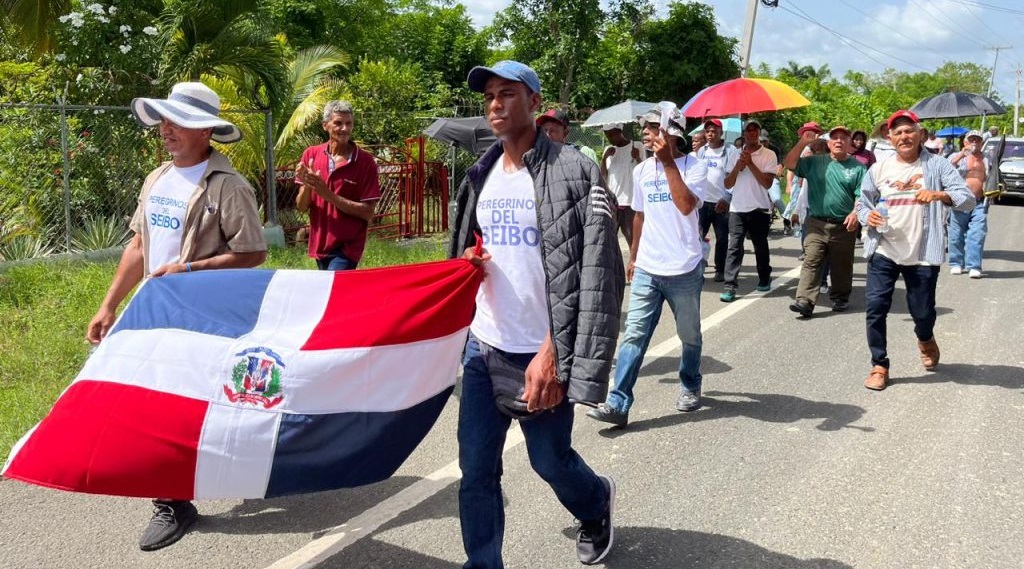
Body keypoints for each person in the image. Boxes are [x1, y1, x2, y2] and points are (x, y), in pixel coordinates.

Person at [449, 60, 624, 568]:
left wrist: (553, 351)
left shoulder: (575, 170)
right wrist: (470, 262)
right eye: (489, 97)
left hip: (541, 348)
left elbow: (598, 270)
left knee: (549, 461)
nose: (495, 105)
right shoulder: (480, 174)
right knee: (477, 471)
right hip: (485, 347)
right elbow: (475, 244)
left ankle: (595, 503)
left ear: (533, 101)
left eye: (507, 94)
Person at [87, 81, 268, 551]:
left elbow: (252, 252)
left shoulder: (228, 186)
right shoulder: (158, 178)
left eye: (179, 121)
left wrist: (189, 269)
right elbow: (138, 244)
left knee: (194, 406)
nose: (166, 129)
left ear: (206, 130)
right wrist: (109, 305)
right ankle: (171, 500)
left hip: (203, 321)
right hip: (152, 314)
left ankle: (203, 480)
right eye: (165, 119)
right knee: (151, 405)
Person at [586, 108, 708, 427]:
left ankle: (690, 383)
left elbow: (685, 206)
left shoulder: (695, 166)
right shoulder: (641, 171)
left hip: (684, 269)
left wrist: (668, 162)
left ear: (674, 133)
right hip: (648, 269)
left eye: (655, 127)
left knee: (689, 334)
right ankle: (618, 402)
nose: (646, 131)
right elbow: (638, 215)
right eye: (646, 127)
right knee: (634, 335)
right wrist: (634, 256)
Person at [857, 110, 975, 391]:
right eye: (897, 132)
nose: (904, 136)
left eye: (909, 130)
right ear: (890, 138)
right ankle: (879, 365)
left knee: (922, 312)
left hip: (922, 253)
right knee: (875, 308)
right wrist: (867, 216)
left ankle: (925, 337)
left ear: (920, 134)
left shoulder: (938, 165)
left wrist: (939, 195)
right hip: (884, 249)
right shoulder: (879, 168)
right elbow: (862, 202)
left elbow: (967, 199)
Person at [784, 125, 865, 317]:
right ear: (828, 143)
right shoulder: (815, 162)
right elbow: (789, 163)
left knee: (841, 264)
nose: (838, 141)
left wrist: (855, 213)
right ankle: (805, 300)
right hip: (816, 222)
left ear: (849, 143)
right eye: (834, 138)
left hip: (844, 225)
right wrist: (803, 142)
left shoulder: (858, 168)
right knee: (812, 259)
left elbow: (861, 194)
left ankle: (840, 297)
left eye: (843, 138)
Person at [296, 100, 382, 270]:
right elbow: (301, 206)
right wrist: (307, 184)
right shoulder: (311, 155)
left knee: (335, 287)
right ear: (325, 125)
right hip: (320, 245)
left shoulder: (365, 162)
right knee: (330, 293)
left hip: (347, 247)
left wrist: (328, 195)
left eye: (348, 123)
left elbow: (368, 212)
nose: (344, 129)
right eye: (338, 123)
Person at [720, 119, 778, 302]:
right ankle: (730, 285)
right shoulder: (734, 154)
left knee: (760, 245)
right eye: (748, 130)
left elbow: (767, 183)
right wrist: (738, 166)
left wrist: (751, 163)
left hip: (759, 207)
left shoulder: (769, 155)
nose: (752, 133)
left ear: (759, 133)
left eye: (755, 130)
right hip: (737, 208)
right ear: (744, 133)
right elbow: (727, 183)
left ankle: (764, 276)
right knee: (734, 247)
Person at [696, 118, 739, 282]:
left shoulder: (730, 150)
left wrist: (727, 197)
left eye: (714, 131)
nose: (710, 134)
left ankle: (720, 269)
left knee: (722, 238)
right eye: (707, 131)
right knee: (697, 236)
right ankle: (697, 268)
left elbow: (734, 176)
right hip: (702, 202)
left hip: (721, 202)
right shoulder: (702, 151)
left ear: (721, 133)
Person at [947, 129, 990, 278]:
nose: (974, 142)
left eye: (977, 140)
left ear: (981, 143)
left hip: (979, 202)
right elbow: (946, 169)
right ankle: (956, 263)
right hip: (960, 201)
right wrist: (961, 154)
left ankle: (974, 265)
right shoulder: (956, 156)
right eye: (971, 139)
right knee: (956, 234)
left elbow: (991, 176)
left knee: (977, 234)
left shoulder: (986, 158)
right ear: (965, 141)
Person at [600, 122, 645, 250]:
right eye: (607, 135)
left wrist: (637, 158)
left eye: (612, 134)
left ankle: (635, 266)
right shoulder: (608, 150)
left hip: (631, 202)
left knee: (633, 239)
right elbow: (603, 176)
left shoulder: (637, 146)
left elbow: (644, 172)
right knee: (609, 240)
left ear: (620, 131)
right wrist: (604, 159)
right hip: (613, 203)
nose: (610, 138)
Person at [759, 129, 791, 235]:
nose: (763, 143)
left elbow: (779, 164)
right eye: (761, 141)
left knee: (777, 199)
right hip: (757, 179)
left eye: (764, 141)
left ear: (768, 140)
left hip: (772, 177)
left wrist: (779, 171)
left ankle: (787, 220)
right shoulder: (754, 150)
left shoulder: (774, 150)